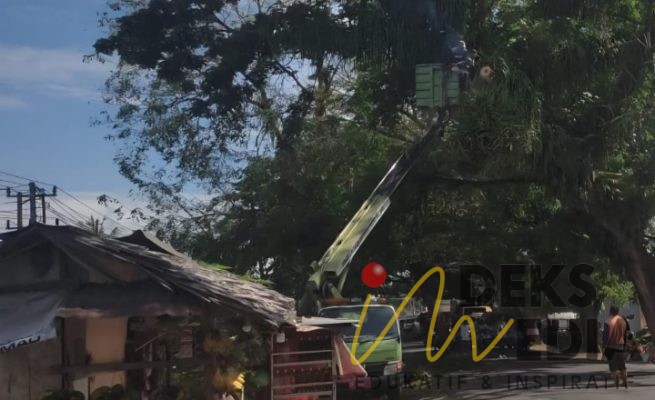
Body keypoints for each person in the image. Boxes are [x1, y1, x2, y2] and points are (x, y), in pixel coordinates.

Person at [602, 305, 628, 388]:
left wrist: (604, 345)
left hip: (611, 346)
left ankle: (616, 381)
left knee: (613, 365)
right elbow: (626, 334)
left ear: (610, 311)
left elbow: (606, 335)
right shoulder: (623, 321)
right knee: (622, 364)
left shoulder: (608, 321)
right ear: (618, 311)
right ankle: (624, 380)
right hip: (620, 345)